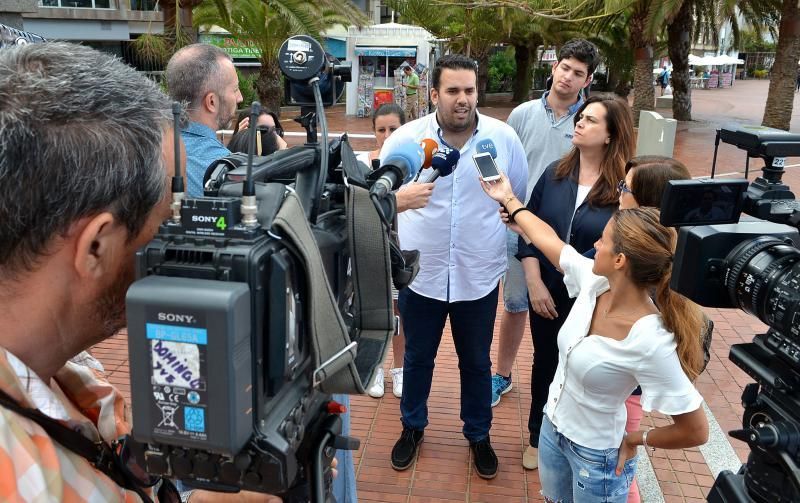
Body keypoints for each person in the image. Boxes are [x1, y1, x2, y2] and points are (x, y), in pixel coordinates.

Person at [0, 41, 286, 503]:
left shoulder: (59, 368)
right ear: (97, 246)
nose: (180, 240)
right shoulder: (23, 479)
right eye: (167, 220)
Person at [481, 177, 709, 503]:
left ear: (620, 261)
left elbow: (695, 429)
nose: (595, 247)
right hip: (552, 430)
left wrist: (635, 439)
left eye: (602, 241)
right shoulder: (594, 282)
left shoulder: (650, 338)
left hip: (596, 458)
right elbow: (546, 238)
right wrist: (508, 198)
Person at [382, 54, 527, 479]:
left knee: (477, 362)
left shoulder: (503, 139)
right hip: (421, 275)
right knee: (418, 359)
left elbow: (516, 191)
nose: (462, 99)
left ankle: (478, 434)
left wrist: (509, 213)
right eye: (452, 91)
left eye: (469, 90)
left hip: (479, 275)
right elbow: (375, 197)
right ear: (434, 94)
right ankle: (412, 428)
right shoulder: (406, 141)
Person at [516, 94, 635, 471]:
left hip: (595, 299)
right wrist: (533, 282)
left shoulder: (624, 189)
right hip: (546, 293)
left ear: (611, 135)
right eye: (579, 117)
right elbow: (528, 229)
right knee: (545, 362)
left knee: (585, 370)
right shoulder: (554, 174)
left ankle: (580, 442)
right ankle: (539, 435)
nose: (579, 123)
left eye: (590, 120)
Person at [494, 38, 600, 408]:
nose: (568, 77)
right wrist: (509, 211)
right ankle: (502, 375)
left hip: (568, 237)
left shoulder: (590, 121)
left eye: (578, 73)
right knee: (516, 304)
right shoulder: (522, 114)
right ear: (554, 67)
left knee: (571, 311)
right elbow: (502, 166)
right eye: (565, 68)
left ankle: (561, 386)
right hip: (518, 229)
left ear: (587, 80)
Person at [616, 155, 692, 503]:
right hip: (627, 393)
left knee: (618, 476)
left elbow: (693, 428)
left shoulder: (639, 269)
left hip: (621, 396)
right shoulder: (676, 255)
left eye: (625, 187)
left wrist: (637, 440)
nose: (618, 193)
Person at [358, 102, 435, 399]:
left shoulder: (416, 168)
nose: (387, 135)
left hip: (401, 251)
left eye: (394, 128)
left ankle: (399, 368)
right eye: (381, 129)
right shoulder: (362, 161)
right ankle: (374, 367)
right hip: (368, 249)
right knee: (374, 313)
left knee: (401, 312)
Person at [166, 43, 243, 197]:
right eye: (235, 89)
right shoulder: (223, 168)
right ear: (211, 102)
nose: (240, 97)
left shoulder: (144, 150)